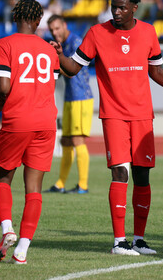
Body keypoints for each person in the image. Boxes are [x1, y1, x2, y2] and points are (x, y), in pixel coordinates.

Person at [50, 0, 163, 256]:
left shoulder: (148, 32)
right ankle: (119, 241)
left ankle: (139, 239)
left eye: (121, 7)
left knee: (142, 175)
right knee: (121, 172)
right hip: (114, 114)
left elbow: (156, 70)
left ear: (134, 8)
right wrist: (58, 55)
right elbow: (72, 68)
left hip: (142, 115)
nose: (115, 12)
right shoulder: (96, 33)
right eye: (112, 6)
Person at [0, 0, 60, 265]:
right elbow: (46, 86)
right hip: (45, 122)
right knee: (34, 189)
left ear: (15, 16)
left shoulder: (5, 44)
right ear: (39, 20)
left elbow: (4, 86)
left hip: (18, 120)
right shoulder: (49, 50)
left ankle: (8, 229)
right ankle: (22, 249)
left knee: (2, 180)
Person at [44, 14, 94, 194]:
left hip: (81, 97)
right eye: (51, 30)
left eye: (57, 28)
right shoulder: (63, 45)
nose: (55, 32)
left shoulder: (75, 41)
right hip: (70, 97)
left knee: (77, 139)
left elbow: (72, 70)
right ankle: (60, 184)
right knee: (66, 141)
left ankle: (83, 185)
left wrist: (52, 67)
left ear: (64, 25)